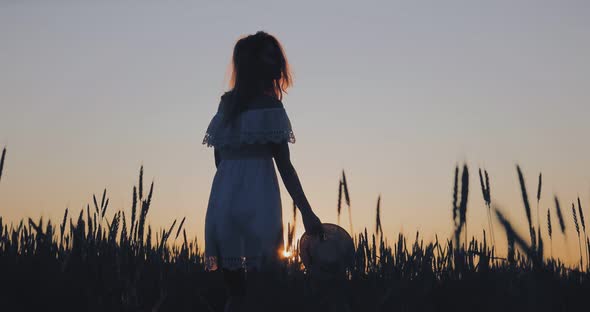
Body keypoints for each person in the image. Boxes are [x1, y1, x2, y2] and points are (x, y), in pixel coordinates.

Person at [202, 31, 322, 311]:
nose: (278, 61)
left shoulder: (226, 105)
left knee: (236, 293)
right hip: (260, 200)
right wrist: (307, 212)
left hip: (224, 200)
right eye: (271, 55)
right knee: (265, 289)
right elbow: (285, 167)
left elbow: (220, 158)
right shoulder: (271, 107)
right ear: (256, 62)